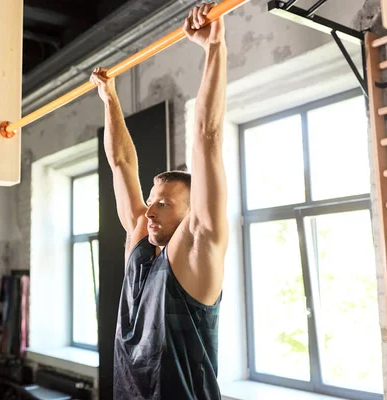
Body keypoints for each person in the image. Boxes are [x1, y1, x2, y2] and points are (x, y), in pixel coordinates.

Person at [90, 3, 228, 399]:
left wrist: (214, 47)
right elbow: (120, 164)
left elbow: (207, 137)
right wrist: (110, 99)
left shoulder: (197, 251)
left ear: (192, 213)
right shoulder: (142, 247)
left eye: (164, 204)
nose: (149, 211)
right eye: (152, 201)